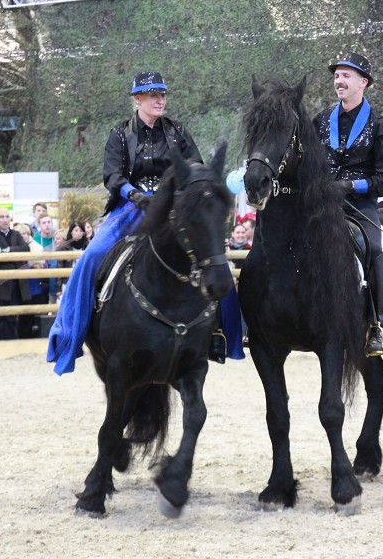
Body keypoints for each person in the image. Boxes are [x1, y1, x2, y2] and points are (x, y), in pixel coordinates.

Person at [48, 71, 243, 375]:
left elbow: (198, 168)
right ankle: (71, 337)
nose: (160, 99)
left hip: (173, 207)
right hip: (130, 207)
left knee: (218, 262)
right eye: (153, 95)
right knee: (91, 258)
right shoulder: (120, 133)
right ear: (137, 99)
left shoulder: (178, 132)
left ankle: (223, 336)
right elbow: (112, 175)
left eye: (163, 94)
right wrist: (135, 195)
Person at [314, 52, 383, 357]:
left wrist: (352, 185)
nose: (339, 81)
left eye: (346, 76)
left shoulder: (381, 127)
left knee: (374, 248)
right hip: (321, 201)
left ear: (363, 83)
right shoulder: (321, 121)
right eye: (337, 76)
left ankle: (377, 325)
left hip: (359, 204)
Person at [0, 208, 29, 341]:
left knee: (12, 315)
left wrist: (9, 250)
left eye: (7, 217)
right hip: (0, 283)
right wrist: (13, 255)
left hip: (16, 282)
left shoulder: (16, 234)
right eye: (1, 217)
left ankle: (12, 342)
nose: (4, 220)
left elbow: (25, 249)